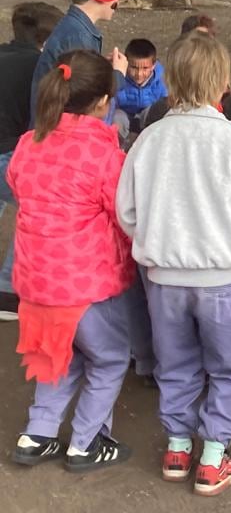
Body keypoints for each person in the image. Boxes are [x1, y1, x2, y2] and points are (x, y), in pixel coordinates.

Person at [116, 32, 231, 496]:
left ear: (170, 80)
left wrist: (157, 241)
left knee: (176, 364)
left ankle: (177, 447)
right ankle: (213, 457)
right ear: (223, 83)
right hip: (223, 280)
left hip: (162, 281)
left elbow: (126, 212)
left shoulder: (148, 139)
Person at [8, 50, 135, 472]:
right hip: (85, 287)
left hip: (35, 282)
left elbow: (18, 184)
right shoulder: (104, 155)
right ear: (104, 103)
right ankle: (86, 443)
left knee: (55, 357)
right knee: (110, 358)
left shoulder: (29, 143)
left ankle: (37, 435)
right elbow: (124, 213)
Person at [0, 1, 63, 319]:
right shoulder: (41, 69)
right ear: (48, 40)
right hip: (11, 153)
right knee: (35, 210)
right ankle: (8, 291)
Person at [30, 0, 133, 122]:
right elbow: (85, 95)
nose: (117, 1)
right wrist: (117, 75)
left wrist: (100, 68)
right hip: (61, 136)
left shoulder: (75, 28)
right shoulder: (77, 36)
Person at [113, 38, 168, 144]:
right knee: (116, 116)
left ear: (153, 66)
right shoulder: (118, 78)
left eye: (145, 68)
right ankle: (119, 147)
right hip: (125, 117)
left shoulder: (161, 80)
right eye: (134, 67)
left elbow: (164, 103)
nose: (139, 73)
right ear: (126, 64)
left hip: (146, 119)